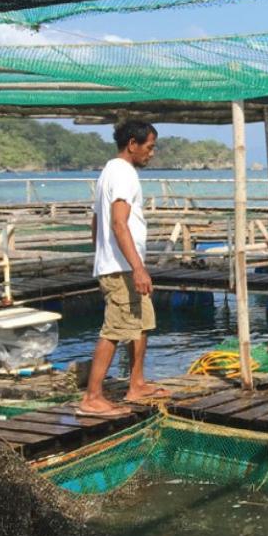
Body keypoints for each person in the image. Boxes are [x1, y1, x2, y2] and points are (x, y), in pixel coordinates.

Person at [78, 120, 166, 417]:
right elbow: (118, 222)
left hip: (119, 263)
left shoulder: (109, 171)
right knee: (114, 329)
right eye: (149, 147)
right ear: (133, 144)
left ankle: (136, 382)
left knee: (141, 323)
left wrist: (101, 253)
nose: (151, 153)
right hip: (122, 268)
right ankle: (92, 397)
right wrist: (137, 267)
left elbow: (95, 221)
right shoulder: (123, 173)